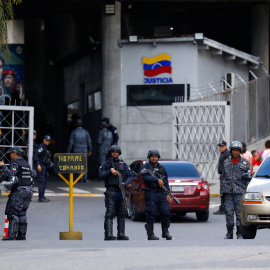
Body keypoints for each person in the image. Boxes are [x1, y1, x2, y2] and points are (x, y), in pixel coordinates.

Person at [0, 147, 36, 240]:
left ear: (15, 154)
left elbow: (11, 174)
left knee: (13, 212)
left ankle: (11, 235)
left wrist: (2, 166)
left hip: (19, 190)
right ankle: (21, 235)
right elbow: (34, 174)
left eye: (11, 153)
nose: (10, 155)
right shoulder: (26, 163)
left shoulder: (15, 163)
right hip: (29, 190)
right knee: (22, 213)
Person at [98, 145, 133, 241]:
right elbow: (100, 175)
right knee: (110, 213)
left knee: (122, 213)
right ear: (110, 153)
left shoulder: (124, 164)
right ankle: (108, 234)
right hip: (111, 191)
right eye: (113, 152)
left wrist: (125, 183)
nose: (115, 153)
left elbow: (130, 176)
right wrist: (110, 171)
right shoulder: (106, 164)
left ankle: (121, 233)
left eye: (116, 152)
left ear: (119, 153)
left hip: (121, 191)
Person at [141, 149, 173, 240]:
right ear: (149, 157)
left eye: (155, 157)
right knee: (151, 213)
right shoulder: (145, 167)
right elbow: (145, 177)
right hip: (151, 193)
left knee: (166, 212)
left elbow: (165, 181)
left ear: (158, 157)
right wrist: (156, 180)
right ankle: (150, 234)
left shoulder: (162, 168)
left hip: (161, 193)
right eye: (152, 157)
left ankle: (165, 232)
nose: (154, 158)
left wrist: (168, 193)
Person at [221, 141, 250, 239]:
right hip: (228, 192)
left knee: (239, 213)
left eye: (237, 150)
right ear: (231, 151)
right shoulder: (226, 162)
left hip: (240, 192)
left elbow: (248, 178)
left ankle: (239, 232)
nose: (235, 152)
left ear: (240, 151)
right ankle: (229, 233)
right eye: (233, 150)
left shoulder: (245, 163)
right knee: (229, 213)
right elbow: (223, 177)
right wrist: (222, 192)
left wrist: (247, 191)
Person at [33, 135, 52, 202]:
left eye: (49, 141)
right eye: (47, 140)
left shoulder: (45, 147)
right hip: (41, 165)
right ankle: (41, 197)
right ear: (44, 140)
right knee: (41, 181)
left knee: (44, 181)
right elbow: (35, 156)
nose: (48, 142)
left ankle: (42, 196)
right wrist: (38, 164)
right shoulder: (41, 147)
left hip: (44, 166)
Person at [214, 141, 231, 215]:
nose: (220, 148)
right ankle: (222, 208)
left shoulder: (227, 153)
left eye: (222, 146)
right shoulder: (223, 154)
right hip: (222, 175)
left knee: (224, 192)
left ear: (225, 146)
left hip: (225, 176)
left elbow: (229, 165)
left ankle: (224, 209)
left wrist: (225, 174)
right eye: (219, 146)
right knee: (222, 192)